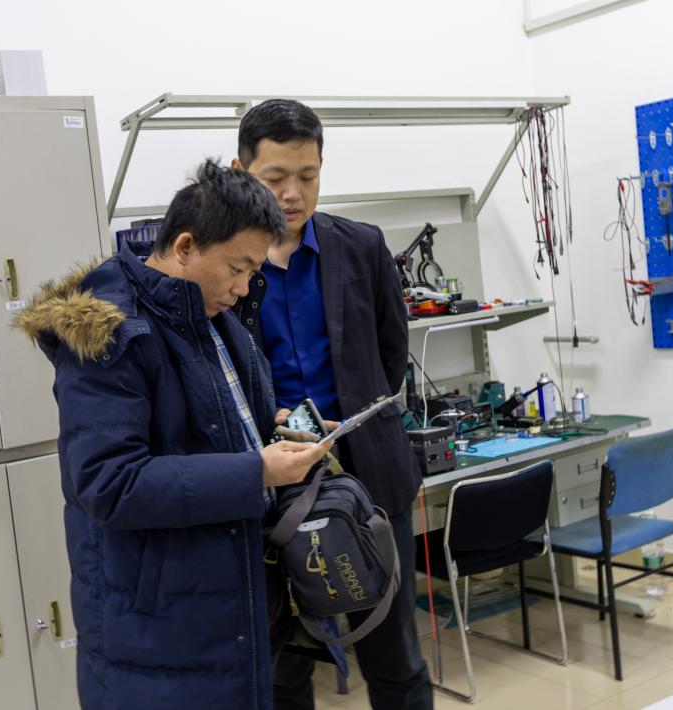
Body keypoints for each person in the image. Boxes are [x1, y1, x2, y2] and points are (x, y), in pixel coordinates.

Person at [18, 160, 332, 710]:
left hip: (228, 608)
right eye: (236, 268)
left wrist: (271, 429)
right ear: (186, 246)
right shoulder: (110, 333)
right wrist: (257, 469)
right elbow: (109, 483)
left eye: (253, 271)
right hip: (158, 631)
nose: (243, 287)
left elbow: (209, 429)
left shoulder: (210, 316)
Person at [232, 99, 433, 710]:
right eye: (275, 178)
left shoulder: (362, 247)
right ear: (242, 172)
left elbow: (390, 355)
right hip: (271, 489)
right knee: (283, 667)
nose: (293, 194)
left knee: (395, 655)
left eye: (308, 176)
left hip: (369, 478)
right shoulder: (226, 264)